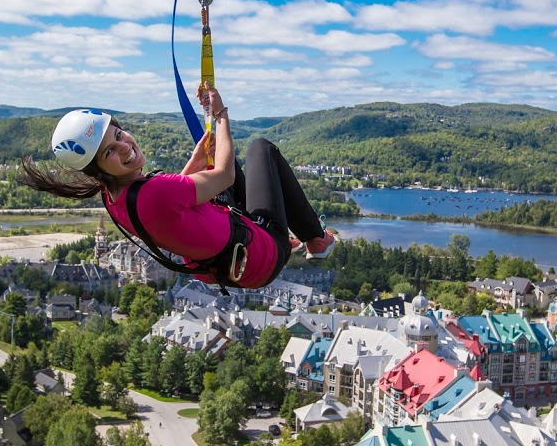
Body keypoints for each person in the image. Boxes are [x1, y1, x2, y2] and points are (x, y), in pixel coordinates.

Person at [17, 82, 335, 290]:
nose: (125, 147)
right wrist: (219, 112)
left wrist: (198, 157)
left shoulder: (113, 197)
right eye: (110, 152)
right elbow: (223, 176)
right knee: (260, 149)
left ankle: (288, 235)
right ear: (97, 168)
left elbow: (170, 207)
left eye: (118, 135)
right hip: (262, 257)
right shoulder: (155, 194)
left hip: (229, 265)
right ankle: (315, 239)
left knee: (219, 163)